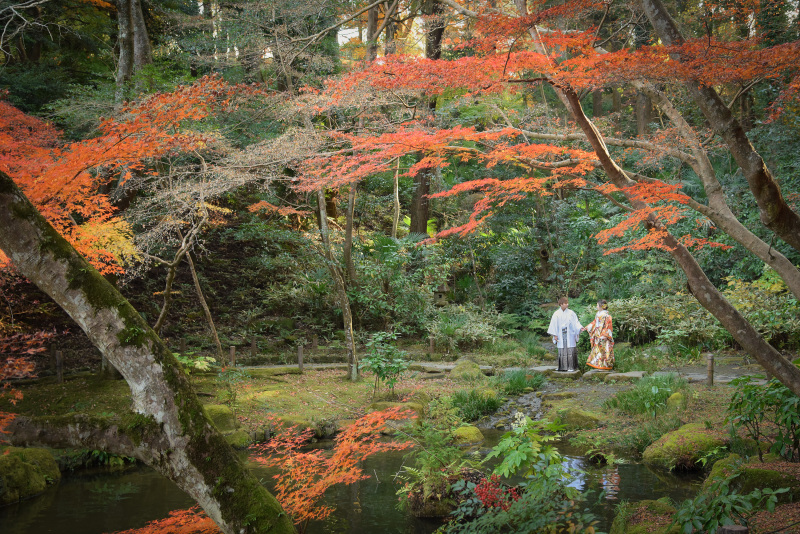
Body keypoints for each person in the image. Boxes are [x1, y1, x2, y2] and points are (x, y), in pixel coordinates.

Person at [547, 297, 582, 372]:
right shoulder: (556, 314)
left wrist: (579, 328)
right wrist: (555, 335)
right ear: (561, 304)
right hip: (560, 334)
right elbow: (553, 325)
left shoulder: (571, 313)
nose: (567, 304)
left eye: (567, 303)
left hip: (570, 334)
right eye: (565, 303)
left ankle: (571, 367)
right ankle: (562, 367)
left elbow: (576, 322)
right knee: (562, 350)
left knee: (570, 349)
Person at [582, 299, 615, 370]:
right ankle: (600, 365)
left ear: (602, 306)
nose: (596, 306)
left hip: (604, 335)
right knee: (598, 350)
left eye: (597, 305)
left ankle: (605, 366)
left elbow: (608, 326)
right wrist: (587, 327)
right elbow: (594, 323)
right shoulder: (598, 314)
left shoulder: (606, 315)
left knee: (604, 350)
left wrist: (605, 335)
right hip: (597, 334)